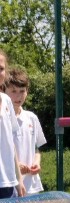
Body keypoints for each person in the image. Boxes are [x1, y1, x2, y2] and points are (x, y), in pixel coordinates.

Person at [5, 67, 47, 195]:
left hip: (32, 185)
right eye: (13, 91)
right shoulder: (3, 119)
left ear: (27, 91)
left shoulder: (32, 118)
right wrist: (17, 166)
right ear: (3, 91)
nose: (18, 96)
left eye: (22, 91)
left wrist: (36, 162)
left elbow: (36, 148)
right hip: (10, 185)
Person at [0, 49, 26, 198]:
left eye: (1, 69)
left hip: (8, 184)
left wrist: (18, 179)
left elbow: (11, 145)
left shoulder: (7, 101)